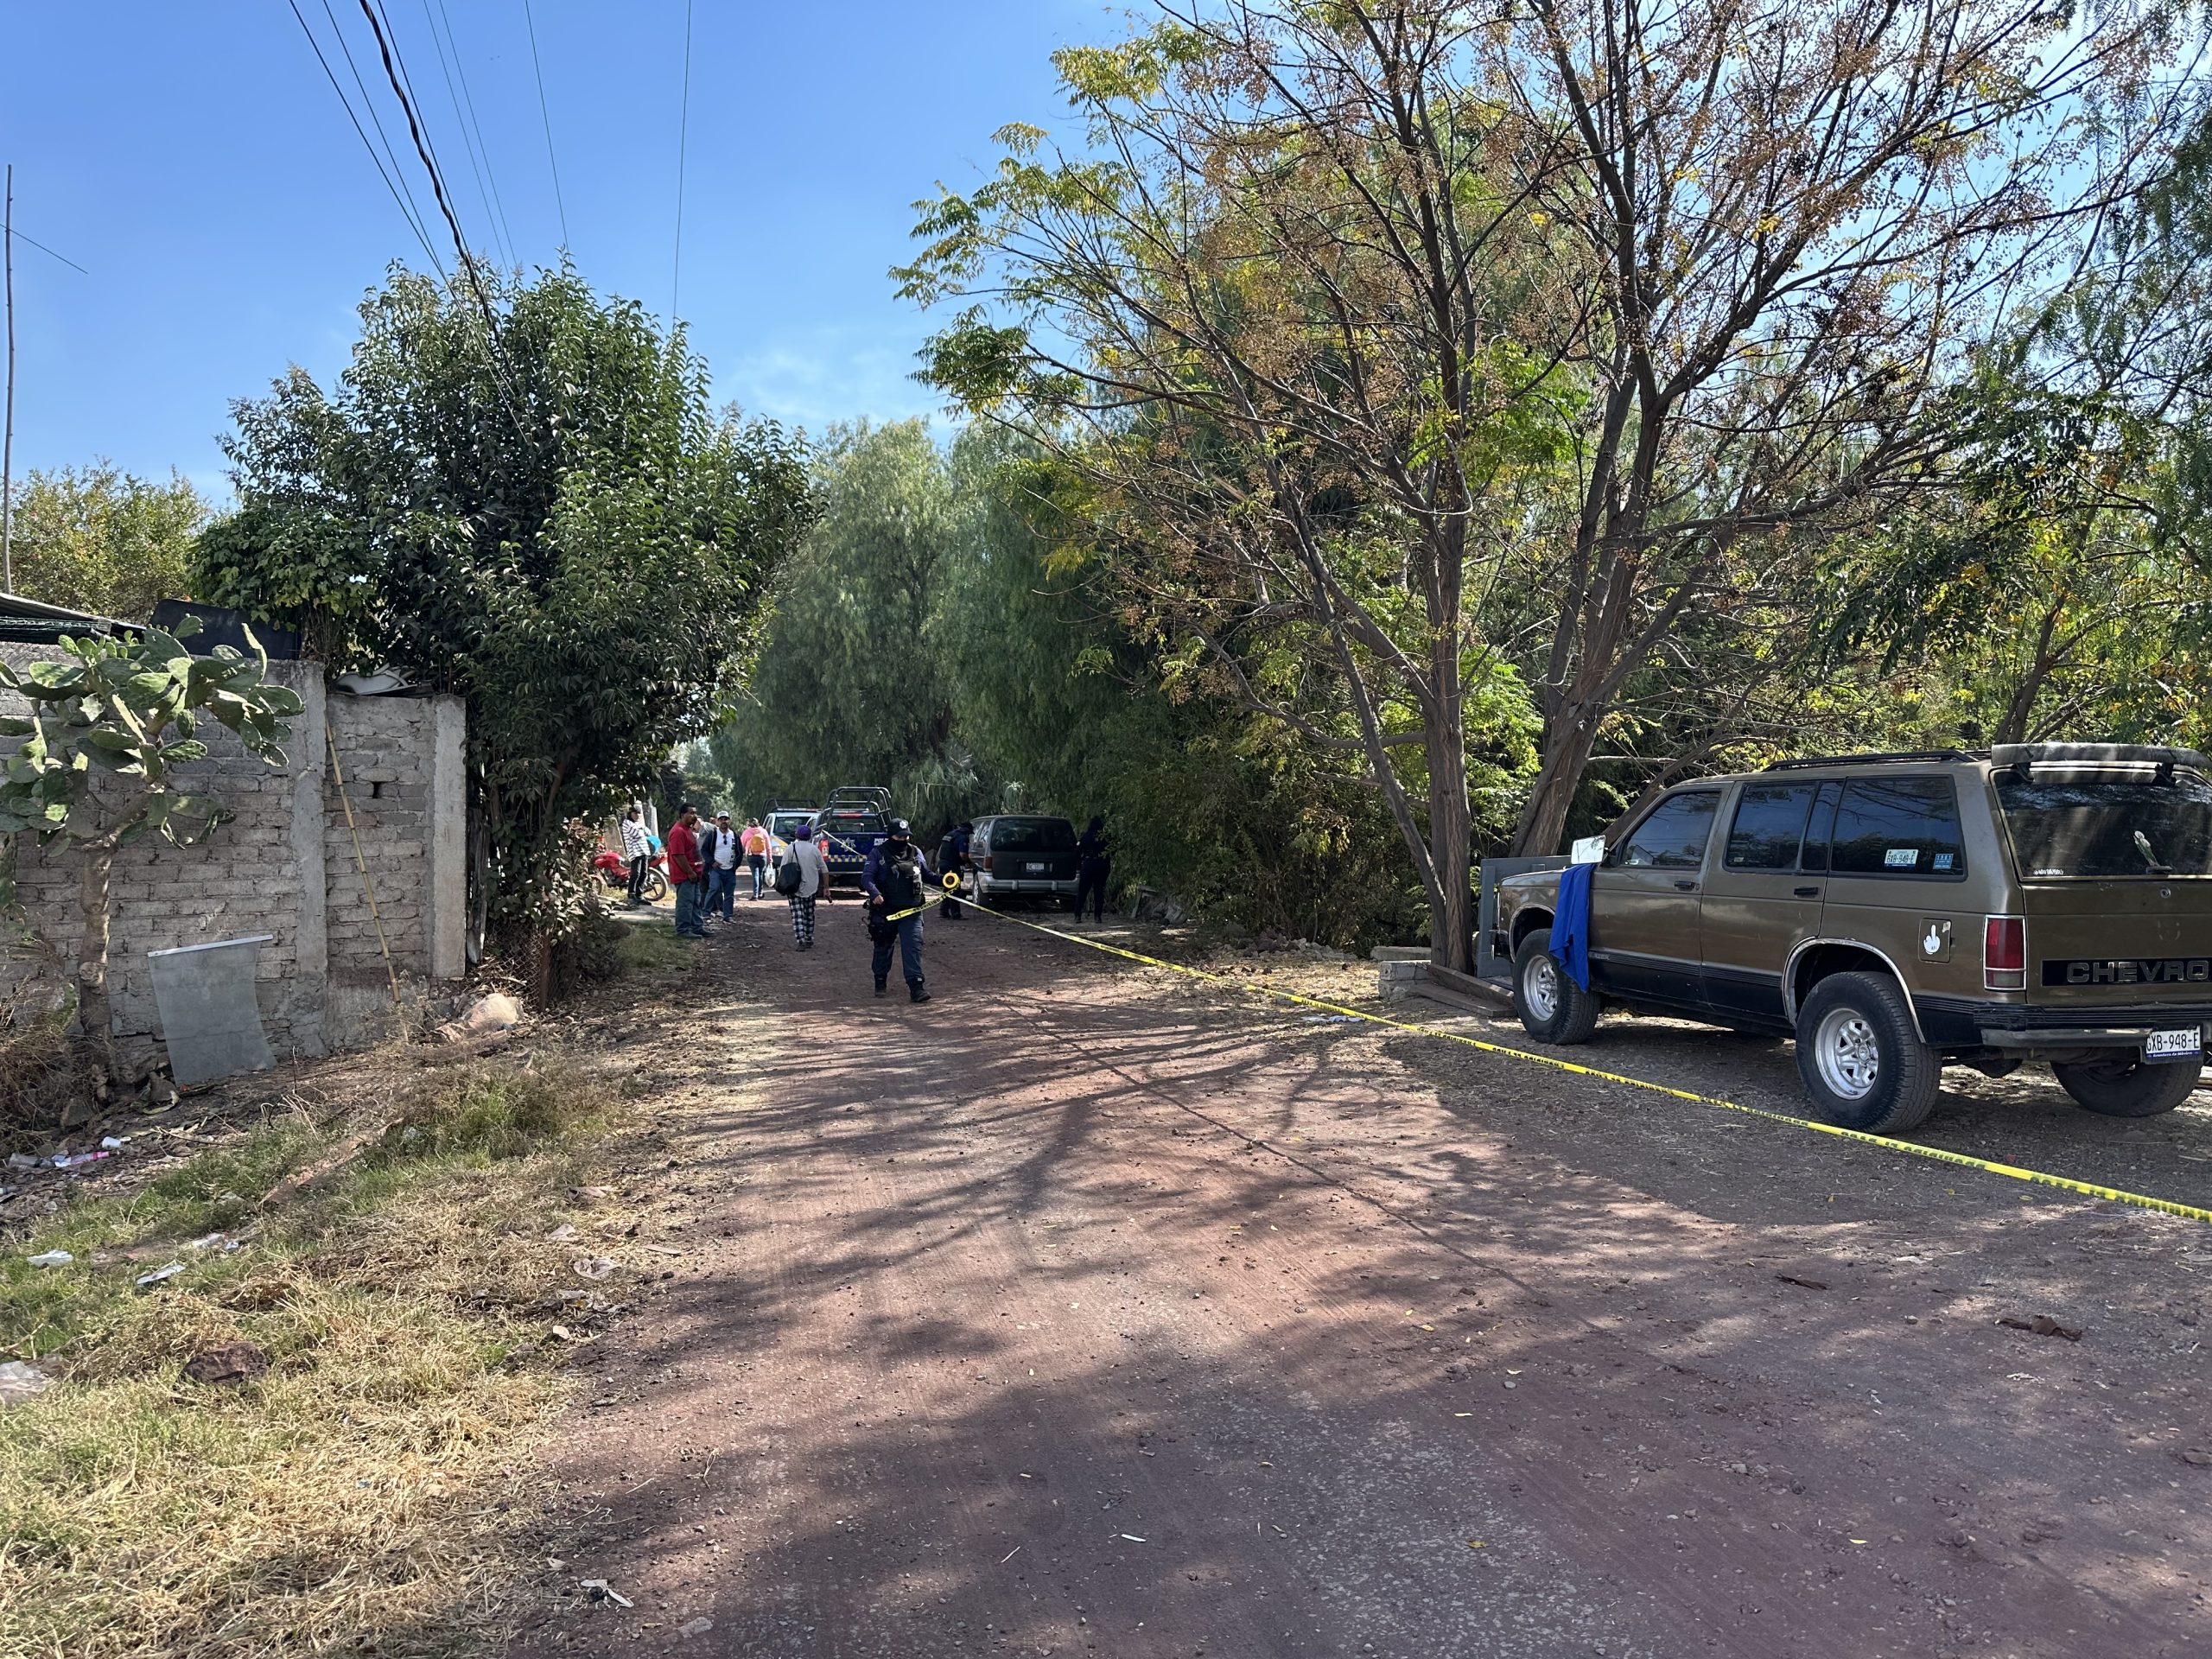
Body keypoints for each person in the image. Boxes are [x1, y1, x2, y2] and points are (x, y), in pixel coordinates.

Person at [862, 817, 932, 1002]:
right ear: (890, 836)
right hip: (885, 911)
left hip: (912, 911)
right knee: (883, 947)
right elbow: (867, 878)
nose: (903, 840)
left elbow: (926, 874)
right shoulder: (878, 854)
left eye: (906, 837)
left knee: (913, 947)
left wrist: (947, 880)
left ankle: (916, 987)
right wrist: (875, 893)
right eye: (899, 837)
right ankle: (880, 980)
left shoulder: (916, 852)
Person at [784, 822, 828, 949]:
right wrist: (826, 888)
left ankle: (801, 940)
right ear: (809, 836)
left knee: (797, 914)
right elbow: (824, 870)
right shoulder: (815, 850)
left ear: (797, 835)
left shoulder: (790, 849)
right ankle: (809, 938)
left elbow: (784, 868)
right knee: (809, 913)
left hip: (794, 886)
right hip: (812, 886)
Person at [667, 804, 709, 938]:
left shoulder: (687, 829)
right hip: (685, 875)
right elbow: (678, 855)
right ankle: (683, 930)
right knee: (685, 903)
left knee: (696, 902)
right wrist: (690, 872)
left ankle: (697, 926)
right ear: (682, 814)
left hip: (694, 873)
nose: (694, 816)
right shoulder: (678, 831)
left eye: (695, 813)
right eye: (691, 813)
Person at [702, 811, 740, 923]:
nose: (724, 821)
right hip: (716, 869)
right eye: (721, 819)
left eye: (726, 819)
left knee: (729, 894)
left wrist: (735, 865)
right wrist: (712, 862)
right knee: (713, 889)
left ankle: (728, 915)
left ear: (729, 821)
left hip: (730, 870)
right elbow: (704, 850)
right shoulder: (713, 835)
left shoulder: (734, 835)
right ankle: (706, 913)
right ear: (717, 821)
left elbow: (739, 851)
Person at [1075, 815, 1110, 924]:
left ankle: (1078, 916)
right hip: (1101, 865)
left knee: (1082, 891)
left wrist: (1079, 864)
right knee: (1099, 891)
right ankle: (1097, 917)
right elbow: (1112, 851)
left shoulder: (1086, 836)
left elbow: (1078, 851)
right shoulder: (1105, 838)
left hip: (1088, 865)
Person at [935, 821, 974, 920]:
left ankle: (943, 911)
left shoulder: (949, 834)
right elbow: (963, 855)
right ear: (968, 831)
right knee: (955, 889)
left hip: (943, 864)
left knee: (948, 888)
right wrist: (968, 862)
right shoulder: (962, 837)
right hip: (952, 866)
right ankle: (956, 914)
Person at [620, 806, 653, 907]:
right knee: (636, 874)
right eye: (635, 813)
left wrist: (641, 829)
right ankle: (631, 895)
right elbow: (637, 834)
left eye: (639, 814)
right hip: (635, 852)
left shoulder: (638, 824)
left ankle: (640, 895)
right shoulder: (627, 823)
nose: (637, 816)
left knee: (643, 874)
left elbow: (648, 832)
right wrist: (641, 829)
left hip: (644, 851)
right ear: (630, 814)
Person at [742, 817, 772, 899]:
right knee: (761, 874)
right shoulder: (763, 831)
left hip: (751, 855)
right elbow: (768, 846)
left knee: (755, 874)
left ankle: (755, 895)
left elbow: (741, 843)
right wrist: (770, 858)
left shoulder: (747, 832)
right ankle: (760, 893)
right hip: (763, 856)